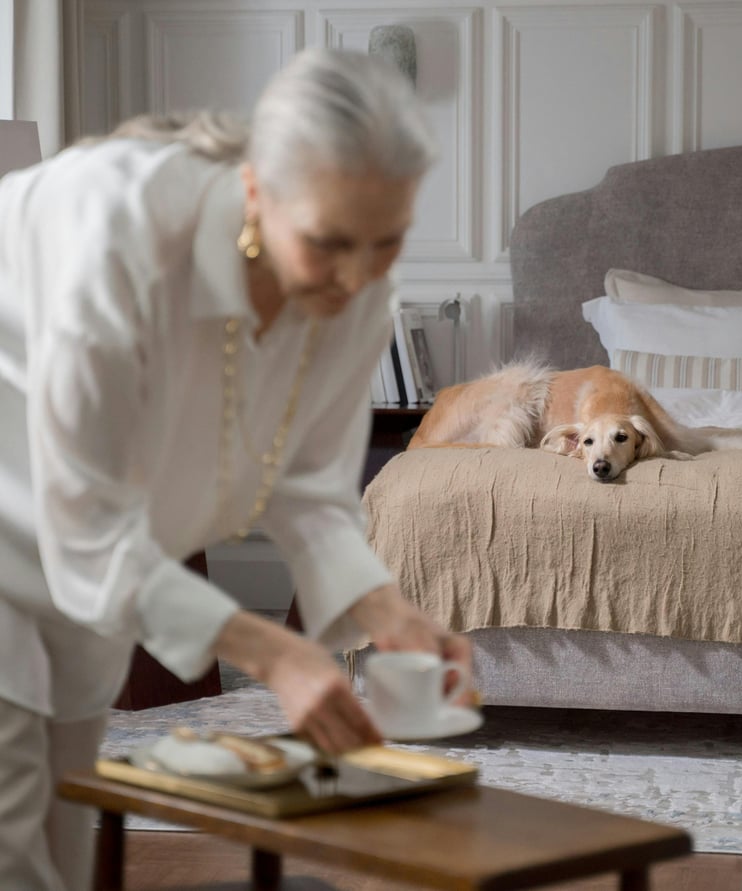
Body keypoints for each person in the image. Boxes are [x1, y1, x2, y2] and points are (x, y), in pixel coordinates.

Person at [0, 47, 474, 891]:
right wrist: (280, 656)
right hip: (22, 506)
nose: (360, 277)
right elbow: (87, 531)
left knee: (61, 843)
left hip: (90, 558)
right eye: (329, 243)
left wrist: (390, 610)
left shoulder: (357, 284)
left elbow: (314, 492)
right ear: (256, 191)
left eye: (388, 241)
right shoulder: (119, 236)